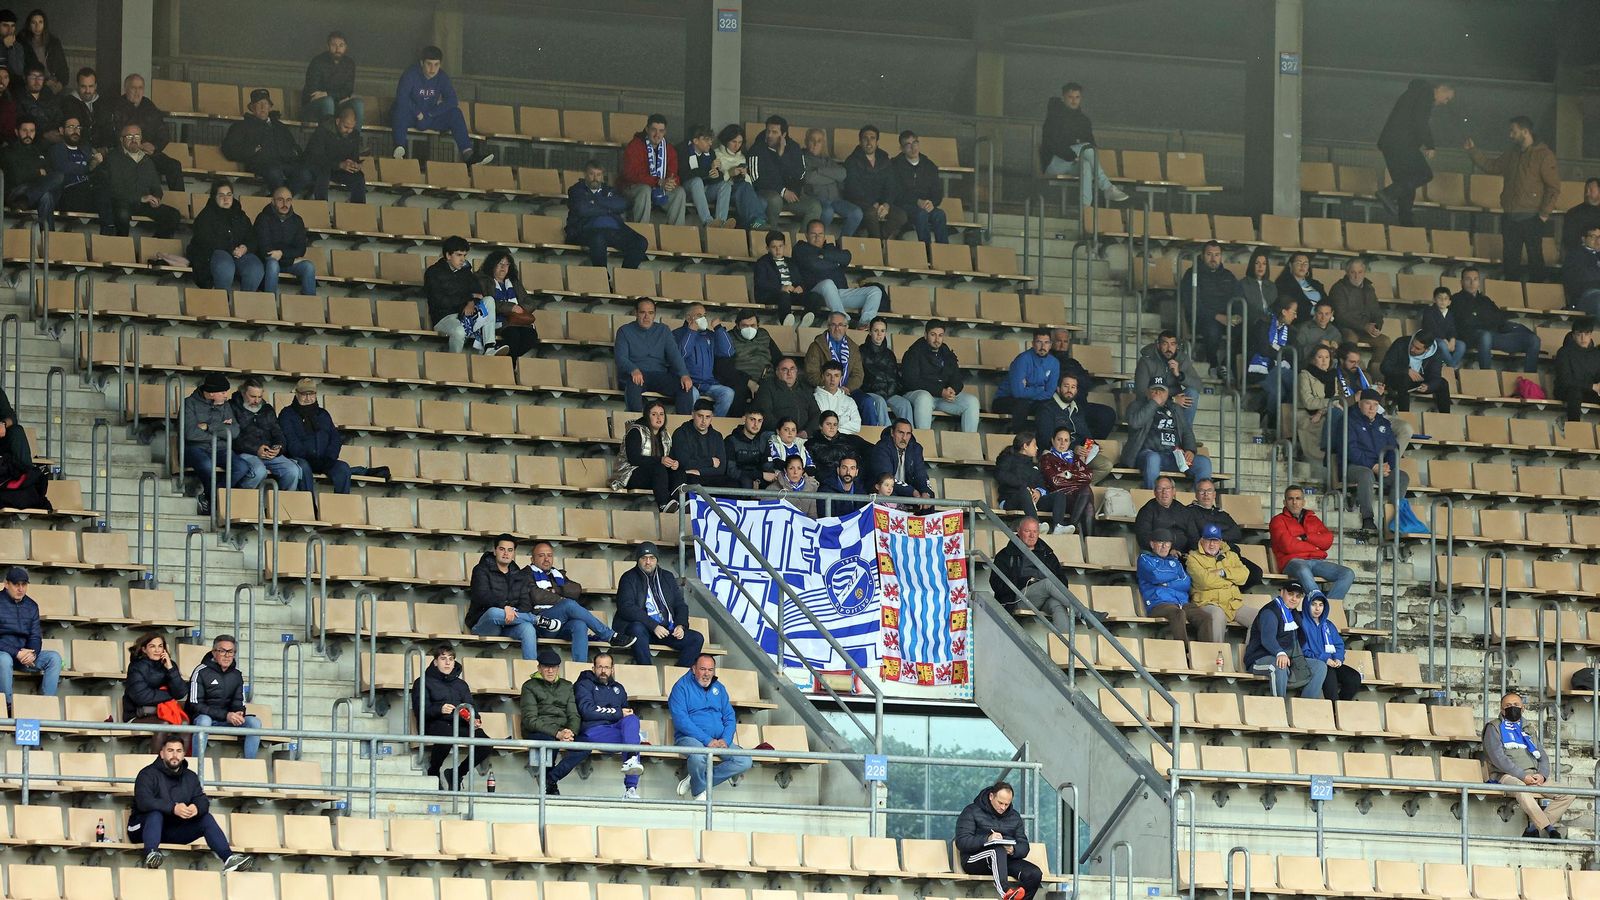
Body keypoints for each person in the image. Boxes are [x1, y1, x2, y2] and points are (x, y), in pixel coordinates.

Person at [130, 735, 253, 873]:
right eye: (170, 750)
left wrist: (196, 808)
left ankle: (228, 858)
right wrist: (173, 808)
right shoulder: (147, 774)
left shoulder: (190, 776)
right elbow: (144, 802)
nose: (174, 755)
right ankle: (151, 854)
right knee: (155, 814)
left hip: (171, 831)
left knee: (205, 818)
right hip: (141, 829)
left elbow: (202, 800)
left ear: (183, 755)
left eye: (178, 751)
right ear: (162, 753)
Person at [1465, 116, 1560, 281]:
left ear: (1525, 131)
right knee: (1510, 259)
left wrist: (1544, 213)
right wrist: (1473, 151)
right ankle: (1512, 294)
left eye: (1513, 131)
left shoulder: (1544, 155)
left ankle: (1535, 295)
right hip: (1510, 214)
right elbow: (1492, 166)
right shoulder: (1512, 153)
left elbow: (1554, 187)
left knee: (1535, 258)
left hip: (1532, 216)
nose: (1510, 135)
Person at [1482, 691, 1573, 839]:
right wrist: (1522, 776)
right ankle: (1549, 828)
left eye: (1516, 705)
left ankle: (1532, 827)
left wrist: (1542, 775)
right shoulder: (1494, 727)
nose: (1513, 708)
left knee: (1568, 794)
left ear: (1523, 708)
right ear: (1501, 708)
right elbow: (1499, 758)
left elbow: (1541, 755)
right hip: (1505, 776)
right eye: (1508, 705)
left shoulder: (1528, 729)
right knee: (1521, 789)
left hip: (1533, 775)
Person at [412, 643, 497, 790]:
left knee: (486, 743)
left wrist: (475, 719)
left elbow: (470, 706)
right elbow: (420, 709)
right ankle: (434, 771)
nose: (447, 662)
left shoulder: (461, 684)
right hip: (435, 723)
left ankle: (457, 773)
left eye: (451, 659)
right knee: (446, 736)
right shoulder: (422, 682)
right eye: (443, 658)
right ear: (435, 661)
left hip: (460, 724)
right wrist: (440, 709)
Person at [669, 653, 752, 800]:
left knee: (744, 760)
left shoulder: (719, 688)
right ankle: (699, 794)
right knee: (698, 756)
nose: (706, 674)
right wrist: (707, 740)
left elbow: (729, 717)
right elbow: (681, 720)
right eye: (702, 669)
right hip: (689, 738)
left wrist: (725, 739)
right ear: (694, 669)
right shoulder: (681, 687)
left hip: (719, 740)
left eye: (710, 670)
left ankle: (696, 779)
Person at [529, 540, 631, 661]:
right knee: (568, 604)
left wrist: (555, 590)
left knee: (580, 625)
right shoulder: (526, 574)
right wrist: (562, 598)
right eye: (541, 555)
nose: (546, 559)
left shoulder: (556, 574)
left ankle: (580, 667)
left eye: (549, 555)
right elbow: (536, 596)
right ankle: (609, 635)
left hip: (561, 624)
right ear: (532, 559)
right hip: (541, 623)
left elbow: (576, 590)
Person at [390, 46, 490, 165]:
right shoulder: (410, 74)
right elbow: (402, 98)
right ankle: (399, 149)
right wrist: (418, 113)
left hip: (429, 117)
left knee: (455, 113)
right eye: (429, 64)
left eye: (436, 65)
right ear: (422, 63)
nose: (432, 69)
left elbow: (452, 100)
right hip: (411, 116)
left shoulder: (442, 77)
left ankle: (468, 155)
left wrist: (431, 113)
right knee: (399, 109)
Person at [1375, 79, 1454, 226]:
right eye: (1447, 98)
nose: (1445, 102)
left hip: (1390, 144)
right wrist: (1430, 145)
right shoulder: (1425, 94)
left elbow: (1416, 120)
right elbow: (1420, 122)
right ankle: (1388, 194)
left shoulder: (1413, 94)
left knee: (1406, 184)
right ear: (1440, 89)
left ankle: (1406, 223)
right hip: (1402, 144)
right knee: (1424, 174)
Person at [1039, 81, 1127, 209]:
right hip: (1055, 163)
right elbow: (1050, 144)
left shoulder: (1084, 120)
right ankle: (1107, 187)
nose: (1074, 101)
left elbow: (1091, 142)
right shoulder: (1053, 118)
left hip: (1074, 162)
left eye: (1077, 97)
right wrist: (1073, 154)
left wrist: (1078, 154)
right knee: (1088, 148)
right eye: (1070, 97)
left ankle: (1085, 207)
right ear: (1063, 97)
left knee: (1085, 165)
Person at [615, 543, 706, 667]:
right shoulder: (628, 577)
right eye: (644, 558)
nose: (648, 562)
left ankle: (677, 679)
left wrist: (680, 625)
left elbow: (680, 605)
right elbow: (626, 607)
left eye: (652, 558)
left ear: (657, 560)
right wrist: (654, 626)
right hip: (643, 629)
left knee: (696, 638)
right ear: (638, 560)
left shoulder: (667, 577)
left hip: (665, 629)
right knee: (637, 628)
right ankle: (647, 673)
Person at [573, 652, 647, 800]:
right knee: (633, 741)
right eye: (600, 667)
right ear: (593, 668)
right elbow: (587, 712)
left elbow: (625, 714)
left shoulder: (618, 688)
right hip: (594, 730)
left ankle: (630, 788)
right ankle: (631, 783)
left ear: (612, 669)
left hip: (614, 729)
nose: (603, 671)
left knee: (632, 719)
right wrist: (617, 713)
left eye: (607, 667)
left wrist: (624, 714)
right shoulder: (584, 684)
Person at [1119, 377, 1213, 489]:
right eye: (1154, 390)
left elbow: (1186, 431)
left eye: (1162, 390)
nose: (1158, 393)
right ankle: (1151, 498)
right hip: (1146, 454)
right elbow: (1135, 423)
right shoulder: (1137, 406)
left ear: (1168, 393)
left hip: (1173, 456)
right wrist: (1153, 403)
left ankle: (1196, 500)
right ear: (1147, 392)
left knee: (1203, 463)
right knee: (1153, 458)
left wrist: (1190, 450)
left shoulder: (1174, 408)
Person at [955, 781, 1041, 900]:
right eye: (1000, 803)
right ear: (991, 796)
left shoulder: (1014, 817)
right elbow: (962, 842)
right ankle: (1005, 892)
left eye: (1007, 804)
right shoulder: (971, 811)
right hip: (974, 860)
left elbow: (1024, 846)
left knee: (1034, 874)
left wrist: (1012, 850)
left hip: (1005, 859)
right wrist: (987, 839)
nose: (1003, 807)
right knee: (997, 850)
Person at [1270, 484, 1355, 599]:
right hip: (1292, 562)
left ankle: (1326, 608)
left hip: (1316, 561)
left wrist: (1305, 538)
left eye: (1298, 498)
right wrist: (1315, 546)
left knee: (1348, 573)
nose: (1294, 502)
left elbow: (1327, 541)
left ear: (1303, 502)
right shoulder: (1277, 520)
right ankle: (1318, 602)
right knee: (1303, 569)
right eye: (1291, 499)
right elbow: (1288, 546)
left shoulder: (1312, 519)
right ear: (1285, 502)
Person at [1138, 528, 1220, 645]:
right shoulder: (1144, 559)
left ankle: (1205, 654)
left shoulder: (1175, 562)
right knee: (1178, 614)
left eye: (1167, 543)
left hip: (1181, 603)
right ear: (1152, 544)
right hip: (1158, 604)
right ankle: (1184, 652)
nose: (1164, 546)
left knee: (1205, 617)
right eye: (1160, 542)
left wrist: (1167, 583)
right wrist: (1175, 575)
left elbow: (1186, 583)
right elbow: (1156, 576)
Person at [186, 634, 260, 764]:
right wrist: (226, 715)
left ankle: (250, 766)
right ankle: (197, 765)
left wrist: (238, 712)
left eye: (230, 652)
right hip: (205, 718)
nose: (227, 656)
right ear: (214, 652)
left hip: (227, 719)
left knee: (254, 723)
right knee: (204, 721)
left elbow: (239, 701)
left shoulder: (236, 675)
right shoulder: (201, 671)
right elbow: (195, 704)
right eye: (222, 651)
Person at [1243, 583, 1326, 699]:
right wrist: (1280, 653)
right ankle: (1278, 708)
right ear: (1282, 592)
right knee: (1279, 666)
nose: (1294, 599)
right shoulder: (1270, 611)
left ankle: (1305, 707)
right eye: (1290, 594)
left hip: (1288, 658)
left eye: (1298, 596)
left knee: (1320, 666)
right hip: (1259, 658)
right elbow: (1267, 639)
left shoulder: (1294, 613)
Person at [279, 379, 362, 494]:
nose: (308, 398)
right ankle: (310, 509)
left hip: (324, 460)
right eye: (304, 394)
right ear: (297, 394)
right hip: (301, 459)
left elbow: (335, 439)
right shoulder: (287, 414)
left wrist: (329, 458)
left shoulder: (323, 414)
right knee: (303, 468)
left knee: (343, 469)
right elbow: (291, 441)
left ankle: (340, 509)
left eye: (311, 394)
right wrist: (309, 458)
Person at [97, 122, 179, 238]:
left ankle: (154, 247)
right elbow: (115, 189)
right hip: (122, 202)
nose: (134, 140)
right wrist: (141, 198)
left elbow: (156, 187)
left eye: (137, 136)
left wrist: (156, 197)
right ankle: (123, 247)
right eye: (129, 137)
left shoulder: (147, 161)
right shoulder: (113, 158)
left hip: (143, 204)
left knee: (173, 215)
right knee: (122, 214)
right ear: (121, 140)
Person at [1343, 390, 1408, 537]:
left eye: (1376, 405)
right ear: (1360, 403)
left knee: (1402, 476)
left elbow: (1393, 449)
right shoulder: (1349, 420)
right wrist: (1373, 466)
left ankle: (1391, 521)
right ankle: (1367, 518)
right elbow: (1350, 450)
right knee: (1366, 474)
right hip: (1355, 467)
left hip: (1379, 467)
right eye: (1368, 404)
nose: (1372, 408)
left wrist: (1388, 467)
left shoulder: (1383, 422)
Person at [464, 533, 539, 660]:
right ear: (495, 551)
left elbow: (525, 603)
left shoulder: (519, 575)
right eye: (502, 549)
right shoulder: (481, 570)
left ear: (514, 553)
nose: (506, 553)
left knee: (528, 629)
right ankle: (536, 619)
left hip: (509, 624)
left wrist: (512, 612)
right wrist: (504, 607)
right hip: (485, 625)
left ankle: (531, 673)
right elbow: (482, 596)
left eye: (510, 550)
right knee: (494, 612)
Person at [222, 89, 310, 195]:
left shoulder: (280, 127)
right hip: (260, 164)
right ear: (252, 108)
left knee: (305, 174)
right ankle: (281, 199)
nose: (263, 107)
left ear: (270, 107)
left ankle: (282, 198)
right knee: (274, 173)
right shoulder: (242, 126)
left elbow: (294, 146)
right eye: (259, 104)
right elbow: (229, 149)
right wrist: (252, 150)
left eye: (265, 103)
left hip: (285, 164)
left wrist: (294, 154)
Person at [518, 648, 582, 795]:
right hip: (538, 731)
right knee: (549, 740)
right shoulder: (529, 686)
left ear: (558, 668)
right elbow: (530, 720)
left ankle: (550, 778)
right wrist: (557, 733)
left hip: (562, 730)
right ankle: (549, 785)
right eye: (546, 667)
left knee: (585, 745)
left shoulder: (567, 686)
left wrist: (570, 731)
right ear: (539, 667)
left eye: (554, 667)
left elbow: (574, 714)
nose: (550, 670)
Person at [793, 219, 883, 323]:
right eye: (813, 234)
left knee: (875, 291)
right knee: (828, 283)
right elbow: (815, 265)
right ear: (806, 235)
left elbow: (847, 256)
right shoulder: (801, 248)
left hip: (840, 293)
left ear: (824, 235)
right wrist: (836, 263)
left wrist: (824, 255)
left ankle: (865, 324)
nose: (817, 238)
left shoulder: (830, 248)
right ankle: (844, 321)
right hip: (817, 292)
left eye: (820, 234)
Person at [104, 74, 182, 192]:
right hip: (125, 154)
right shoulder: (116, 107)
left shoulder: (149, 106)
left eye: (140, 88)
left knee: (174, 166)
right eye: (133, 88)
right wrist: (138, 145)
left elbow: (163, 133)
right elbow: (115, 135)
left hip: (149, 153)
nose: (137, 92)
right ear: (126, 89)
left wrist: (154, 146)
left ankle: (179, 203)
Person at [616, 298, 694, 415]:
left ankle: (683, 426)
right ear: (636, 313)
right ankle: (637, 424)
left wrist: (684, 374)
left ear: (655, 315)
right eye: (643, 312)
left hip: (659, 374)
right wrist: (633, 369)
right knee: (634, 384)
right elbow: (620, 357)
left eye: (651, 313)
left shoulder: (663, 330)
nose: (647, 317)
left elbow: (675, 355)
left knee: (685, 386)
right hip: (636, 375)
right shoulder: (624, 331)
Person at [991, 516, 1073, 626]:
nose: (1032, 535)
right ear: (1019, 532)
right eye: (1027, 531)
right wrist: (1020, 585)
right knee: (1048, 583)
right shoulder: (1005, 555)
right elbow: (996, 583)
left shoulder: (1047, 554)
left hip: (1044, 598)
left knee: (1057, 604)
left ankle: (1063, 642)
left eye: (1035, 531)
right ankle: (1085, 614)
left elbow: (1062, 580)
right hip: (1019, 599)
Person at [566, 159, 648, 269]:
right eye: (591, 174)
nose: (595, 178)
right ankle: (603, 278)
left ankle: (624, 277)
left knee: (641, 242)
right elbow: (582, 209)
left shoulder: (610, 190)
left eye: (598, 174)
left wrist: (594, 200)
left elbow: (623, 204)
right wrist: (609, 208)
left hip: (614, 230)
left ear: (602, 176)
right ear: (585, 174)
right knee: (598, 238)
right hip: (585, 230)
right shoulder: (576, 190)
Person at [1454, 267, 1539, 372]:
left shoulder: (1485, 300)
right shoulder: (1456, 300)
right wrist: (1487, 320)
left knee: (1533, 340)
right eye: (1468, 279)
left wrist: (1481, 319)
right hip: (1471, 337)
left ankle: (1529, 380)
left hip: (1494, 335)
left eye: (1475, 279)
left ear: (1479, 282)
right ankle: (1487, 375)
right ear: (1461, 282)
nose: (1472, 283)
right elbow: (1465, 323)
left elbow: (1499, 318)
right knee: (1485, 335)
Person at [901, 320, 979, 432]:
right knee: (924, 398)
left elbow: (957, 380)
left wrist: (953, 390)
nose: (937, 339)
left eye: (940, 335)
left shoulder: (947, 353)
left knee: (972, 402)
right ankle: (924, 442)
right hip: (916, 395)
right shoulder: (914, 352)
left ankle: (969, 444)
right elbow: (911, 381)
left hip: (942, 398)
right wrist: (940, 391)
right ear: (925, 335)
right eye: (933, 335)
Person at [1179, 241, 1244, 371]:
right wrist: (1217, 316)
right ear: (1202, 256)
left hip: (1226, 318)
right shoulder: (1192, 274)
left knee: (1246, 329)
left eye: (1217, 255)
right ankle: (1213, 365)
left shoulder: (1228, 276)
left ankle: (1227, 365)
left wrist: (1238, 316)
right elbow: (1192, 304)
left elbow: (1239, 299)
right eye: (1209, 254)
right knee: (1213, 330)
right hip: (1202, 319)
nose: (1213, 258)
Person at [230, 377, 303, 490]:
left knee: (292, 471)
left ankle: (280, 506)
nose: (257, 400)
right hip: (244, 452)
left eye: (260, 397)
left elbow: (277, 432)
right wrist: (256, 449)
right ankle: (242, 502)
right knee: (259, 472)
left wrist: (278, 447)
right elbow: (234, 437)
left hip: (268, 452)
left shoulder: (267, 409)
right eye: (253, 396)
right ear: (243, 393)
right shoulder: (232, 407)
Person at [186, 181, 262, 291]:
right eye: (221, 196)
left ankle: (245, 303)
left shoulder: (240, 214)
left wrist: (245, 248)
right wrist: (231, 249)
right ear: (214, 197)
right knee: (225, 265)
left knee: (256, 268)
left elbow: (252, 237)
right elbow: (204, 241)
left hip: (240, 254)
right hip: (215, 254)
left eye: (229, 195)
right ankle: (222, 302)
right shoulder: (206, 215)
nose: (226, 199)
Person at [748, 115, 819, 227]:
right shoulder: (757, 149)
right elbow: (756, 179)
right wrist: (782, 191)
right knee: (775, 200)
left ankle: (803, 242)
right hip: (766, 194)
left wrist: (782, 156)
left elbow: (800, 174)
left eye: (774, 132)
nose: (770, 135)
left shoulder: (794, 148)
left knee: (814, 206)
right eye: (768, 131)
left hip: (791, 196)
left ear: (783, 135)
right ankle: (772, 237)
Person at [180, 372, 237, 512]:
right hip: (195, 448)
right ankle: (216, 503)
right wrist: (220, 432)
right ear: (211, 393)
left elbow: (235, 431)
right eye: (223, 392)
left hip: (220, 449)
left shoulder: (226, 405)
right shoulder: (189, 403)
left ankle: (210, 497)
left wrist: (208, 427)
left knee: (242, 467)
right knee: (207, 467)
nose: (226, 395)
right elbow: (190, 433)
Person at [0, 566, 58, 704]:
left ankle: (46, 705)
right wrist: (16, 652)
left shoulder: (32, 606)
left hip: (24, 656)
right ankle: (6, 706)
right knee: (4, 660)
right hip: (3, 654)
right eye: (16, 584)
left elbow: (35, 637)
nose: (21, 589)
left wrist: (32, 653)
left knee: (54, 658)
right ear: (6, 584)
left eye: (24, 584)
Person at [617, 113, 686, 225]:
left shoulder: (669, 149)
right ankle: (642, 233)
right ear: (647, 129)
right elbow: (630, 174)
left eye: (661, 131)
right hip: (633, 188)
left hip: (660, 189)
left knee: (680, 192)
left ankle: (676, 235)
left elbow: (674, 174)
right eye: (654, 130)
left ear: (665, 132)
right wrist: (658, 181)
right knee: (645, 190)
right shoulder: (635, 145)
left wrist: (672, 182)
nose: (657, 134)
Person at [1034, 377, 1113, 473]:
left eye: (1073, 387)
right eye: (1066, 386)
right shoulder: (1047, 408)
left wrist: (1092, 446)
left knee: (1105, 465)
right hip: (1056, 454)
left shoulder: (1078, 409)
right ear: (1058, 388)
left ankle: (1078, 485)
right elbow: (1045, 439)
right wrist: (1073, 448)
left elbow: (1085, 434)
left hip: (1078, 455)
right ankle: (1071, 485)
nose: (1069, 390)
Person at [425, 236, 489, 354]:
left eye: (464, 256)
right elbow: (440, 301)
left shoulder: (466, 272)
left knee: (489, 300)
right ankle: (454, 366)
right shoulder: (433, 272)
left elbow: (479, 294)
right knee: (459, 331)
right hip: (444, 317)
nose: (463, 260)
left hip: (466, 315)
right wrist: (468, 298)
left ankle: (490, 348)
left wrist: (471, 302)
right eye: (459, 255)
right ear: (448, 255)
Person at [1047, 330, 1117, 439]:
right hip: (1057, 407)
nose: (1062, 345)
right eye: (1058, 341)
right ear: (1051, 342)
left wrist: (1071, 380)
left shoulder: (1073, 363)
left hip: (1080, 405)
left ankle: (1089, 447)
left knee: (1107, 414)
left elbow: (1087, 382)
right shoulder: (1046, 362)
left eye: (1065, 341)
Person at [611, 400, 677, 512]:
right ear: (647, 416)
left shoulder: (665, 435)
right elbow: (634, 459)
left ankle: (678, 502)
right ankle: (664, 504)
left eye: (661, 414)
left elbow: (668, 457)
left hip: (655, 476)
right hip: (630, 474)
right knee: (659, 468)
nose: (658, 418)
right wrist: (660, 460)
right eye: (654, 414)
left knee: (679, 471)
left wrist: (674, 463)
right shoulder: (635, 432)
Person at [843, 124, 908, 239]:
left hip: (881, 204)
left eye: (872, 138)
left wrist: (886, 204)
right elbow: (853, 188)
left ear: (877, 142)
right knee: (871, 213)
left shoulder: (885, 160)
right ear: (860, 141)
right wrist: (873, 204)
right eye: (865, 138)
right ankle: (878, 245)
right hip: (860, 202)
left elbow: (891, 185)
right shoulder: (852, 160)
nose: (869, 142)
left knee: (901, 216)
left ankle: (879, 240)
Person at [476, 248, 540, 359]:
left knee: (531, 337)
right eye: (500, 264)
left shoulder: (513, 281)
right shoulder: (484, 281)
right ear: (492, 265)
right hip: (499, 321)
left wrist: (519, 308)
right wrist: (510, 308)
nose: (503, 268)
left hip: (518, 320)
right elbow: (487, 303)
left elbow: (529, 302)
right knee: (513, 336)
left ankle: (507, 361)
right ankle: (510, 366)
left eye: (506, 264)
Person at [1185, 523, 1248, 635]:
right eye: (1208, 540)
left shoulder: (1231, 555)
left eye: (1215, 540)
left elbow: (1244, 575)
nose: (1212, 544)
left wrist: (1223, 572)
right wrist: (1230, 580)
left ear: (1220, 541)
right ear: (1202, 540)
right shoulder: (1193, 558)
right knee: (1218, 615)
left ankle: (1251, 652)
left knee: (1261, 618)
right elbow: (1205, 582)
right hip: (1207, 603)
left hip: (1232, 604)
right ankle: (1216, 651)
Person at [253, 187, 317, 296]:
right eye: (280, 200)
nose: (285, 204)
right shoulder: (263, 218)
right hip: (266, 262)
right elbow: (265, 250)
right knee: (273, 264)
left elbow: (300, 249)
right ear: (272, 201)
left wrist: (282, 254)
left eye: (288, 200)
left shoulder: (297, 220)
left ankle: (310, 307)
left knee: (309, 266)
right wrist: (291, 260)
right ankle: (270, 304)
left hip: (284, 260)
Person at [674, 304, 735, 416]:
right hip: (688, 382)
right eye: (698, 315)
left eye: (704, 315)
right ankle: (690, 426)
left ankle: (713, 426)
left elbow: (728, 351)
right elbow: (681, 354)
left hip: (708, 382)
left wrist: (718, 328)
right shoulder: (678, 333)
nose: (703, 318)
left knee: (728, 393)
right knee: (692, 394)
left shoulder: (710, 335)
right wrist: (691, 332)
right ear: (688, 318)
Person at [1300, 591, 1362, 702]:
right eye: (1313, 604)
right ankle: (1334, 709)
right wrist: (1324, 659)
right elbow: (1303, 649)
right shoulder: (1301, 623)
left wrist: (1338, 658)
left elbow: (1339, 645)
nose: (1317, 608)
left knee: (1354, 678)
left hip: (1331, 663)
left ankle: (1340, 708)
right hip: (1314, 663)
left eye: (1321, 605)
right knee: (1330, 676)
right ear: (1307, 605)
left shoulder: (1328, 624)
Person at [1248, 297, 1299, 430]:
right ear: (1284, 311)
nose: (1296, 316)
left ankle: (1269, 418)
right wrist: (1281, 355)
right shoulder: (1262, 324)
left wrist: (1277, 352)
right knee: (1281, 387)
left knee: (1278, 389)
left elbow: (1295, 354)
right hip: (1261, 371)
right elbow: (1263, 349)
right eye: (1293, 312)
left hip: (1279, 373)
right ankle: (1274, 424)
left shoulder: (1292, 332)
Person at [995, 330, 1062, 430]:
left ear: (1050, 345)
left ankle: (1042, 442)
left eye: (1046, 343)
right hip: (1005, 400)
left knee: (1047, 407)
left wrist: (1028, 388)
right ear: (1033, 343)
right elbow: (1018, 393)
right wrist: (1040, 389)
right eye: (1039, 342)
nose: (1043, 347)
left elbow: (1049, 392)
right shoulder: (1022, 359)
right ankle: (1018, 439)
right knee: (1022, 404)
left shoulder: (1054, 363)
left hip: (1033, 402)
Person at [890, 130, 948, 243]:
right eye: (908, 144)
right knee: (921, 214)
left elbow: (937, 192)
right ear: (901, 149)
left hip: (926, 205)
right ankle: (926, 251)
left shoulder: (929, 165)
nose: (913, 147)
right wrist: (917, 201)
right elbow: (896, 192)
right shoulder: (894, 165)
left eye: (915, 143)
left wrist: (932, 203)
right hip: (904, 205)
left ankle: (943, 252)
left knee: (940, 215)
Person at [801, 128, 862, 236]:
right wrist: (832, 177)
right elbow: (810, 178)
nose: (815, 144)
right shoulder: (802, 158)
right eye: (812, 140)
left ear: (823, 144)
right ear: (806, 142)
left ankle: (841, 243)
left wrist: (820, 171)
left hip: (836, 199)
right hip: (816, 198)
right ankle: (818, 242)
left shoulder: (828, 160)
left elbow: (843, 174)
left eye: (819, 141)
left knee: (856, 213)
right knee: (827, 212)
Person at [753, 229, 821, 326]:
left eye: (780, 246)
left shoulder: (791, 262)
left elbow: (799, 280)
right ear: (767, 248)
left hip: (791, 294)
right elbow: (761, 283)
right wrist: (781, 288)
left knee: (815, 296)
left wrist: (800, 286)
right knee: (784, 295)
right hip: (771, 295)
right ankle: (786, 321)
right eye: (774, 247)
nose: (778, 250)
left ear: (784, 246)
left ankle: (805, 321)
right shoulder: (762, 263)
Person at [995, 433, 1062, 531]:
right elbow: (1001, 475)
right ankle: (1036, 526)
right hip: (1010, 500)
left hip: (1032, 501)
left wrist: (1039, 492)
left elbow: (1042, 483)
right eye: (1034, 445)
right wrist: (1024, 486)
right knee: (1024, 492)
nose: (1037, 448)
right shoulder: (1007, 459)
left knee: (1059, 495)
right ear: (1025, 446)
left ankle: (1058, 526)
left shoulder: (1034, 465)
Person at [1327, 259, 1390, 363]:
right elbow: (1341, 316)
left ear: (1364, 272)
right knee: (1350, 339)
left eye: (1360, 272)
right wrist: (1364, 326)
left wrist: (1376, 326)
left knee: (1385, 341)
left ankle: (1376, 373)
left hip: (1365, 330)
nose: (1357, 276)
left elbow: (1377, 312)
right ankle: (1354, 372)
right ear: (1347, 273)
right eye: (1353, 272)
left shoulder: (1369, 288)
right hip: (1345, 328)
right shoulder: (1338, 288)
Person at [1133, 331, 1200, 428]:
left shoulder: (1182, 359)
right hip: (1152, 404)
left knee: (1192, 393)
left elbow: (1198, 385)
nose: (1169, 349)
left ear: (1176, 346)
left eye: (1172, 344)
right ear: (1158, 345)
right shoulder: (1146, 361)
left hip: (1176, 404)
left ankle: (1184, 434)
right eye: (1165, 344)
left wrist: (1179, 375)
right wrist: (1172, 400)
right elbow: (1141, 393)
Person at [122, 632, 188, 728]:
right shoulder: (136, 667)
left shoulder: (170, 665)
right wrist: (170, 695)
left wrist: (170, 669)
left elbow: (180, 693)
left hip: (166, 712)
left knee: (185, 723)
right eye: (152, 646)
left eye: (160, 646)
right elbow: (141, 696)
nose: (157, 650)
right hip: (137, 715)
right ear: (144, 649)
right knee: (164, 724)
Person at [1038, 427, 1095, 536]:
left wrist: (1069, 475)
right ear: (1052, 440)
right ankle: (1076, 529)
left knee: (1088, 503)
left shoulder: (1075, 457)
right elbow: (1055, 482)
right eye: (1059, 439)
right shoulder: (1047, 458)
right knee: (1086, 492)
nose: (1062, 443)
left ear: (1070, 443)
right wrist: (1078, 480)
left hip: (1076, 498)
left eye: (1066, 440)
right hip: (1060, 498)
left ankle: (1075, 529)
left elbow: (1088, 476)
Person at [302, 105, 366, 203]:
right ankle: (321, 206)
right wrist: (339, 164)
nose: (349, 131)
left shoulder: (354, 135)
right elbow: (316, 158)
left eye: (351, 128)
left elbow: (354, 156)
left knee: (358, 177)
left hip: (340, 169)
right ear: (337, 121)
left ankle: (358, 209)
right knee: (323, 173)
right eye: (346, 127)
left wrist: (354, 164)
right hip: (320, 167)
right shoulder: (322, 131)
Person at [668, 399, 735, 491]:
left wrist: (699, 471)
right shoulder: (681, 433)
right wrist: (710, 462)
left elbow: (721, 468)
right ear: (693, 414)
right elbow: (684, 463)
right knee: (687, 478)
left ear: (712, 417)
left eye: (707, 417)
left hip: (708, 476)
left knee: (733, 484)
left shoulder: (717, 436)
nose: (704, 421)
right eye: (700, 416)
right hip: (689, 478)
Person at [805, 313, 866, 411]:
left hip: (847, 390)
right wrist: (832, 387)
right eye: (833, 325)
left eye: (841, 325)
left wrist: (847, 388)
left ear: (846, 327)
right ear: (828, 326)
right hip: (824, 390)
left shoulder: (853, 348)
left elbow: (858, 375)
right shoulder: (816, 346)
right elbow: (811, 374)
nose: (837, 328)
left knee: (867, 402)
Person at [1379, 331, 1451, 414]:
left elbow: (1435, 376)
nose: (1412, 349)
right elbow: (1384, 367)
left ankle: (1446, 416)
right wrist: (1406, 370)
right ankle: (1405, 415)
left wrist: (1428, 386)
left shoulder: (1436, 353)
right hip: (1397, 379)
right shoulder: (1401, 343)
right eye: (1412, 345)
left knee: (1443, 383)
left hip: (1419, 382)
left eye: (1417, 348)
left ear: (1427, 349)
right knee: (1404, 379)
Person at [709, 124, 765, 228]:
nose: (737, 146)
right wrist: (729, 173)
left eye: (740, 142)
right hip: (724, 192)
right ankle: (758, 222)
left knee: (763, 201)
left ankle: (750, 227)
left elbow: (749, 183)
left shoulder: (742, 157)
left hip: (741, 189)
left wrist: (744, 175)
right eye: (733, 142)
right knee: (751, 196)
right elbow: (713, 181)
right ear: (726, 140)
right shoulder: (716, 155)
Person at [1297, 345, 1342, 475]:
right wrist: (1330, 404)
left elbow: (1336, 399)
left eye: (1327, 357)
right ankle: (1329, 452)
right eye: (1320, 357)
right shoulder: (1305, 375)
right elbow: (1309, 402)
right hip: (1306, 414)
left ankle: (1332, 454)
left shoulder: (1332, 375)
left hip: (1324, 413)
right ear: (1313, 359)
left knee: (1340, 416)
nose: (1324, 360)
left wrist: (1321, 411)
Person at [46, 113, 99, 220]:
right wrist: (89, 167)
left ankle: (109, 229)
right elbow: (64, 168)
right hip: (67, 193)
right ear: (61, 130)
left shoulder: (86, 150)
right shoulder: (56, 149)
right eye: (71, 127)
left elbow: (96, 169)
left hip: (88, 192)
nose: (75, 130)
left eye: (78, 127)